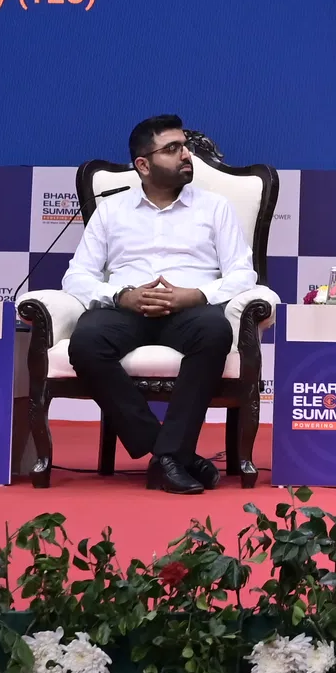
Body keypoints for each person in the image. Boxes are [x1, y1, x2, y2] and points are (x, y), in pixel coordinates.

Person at [61, 114, 255, 494]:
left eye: (185, 147)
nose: (186, 155)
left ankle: (168, 456)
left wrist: (195, 295)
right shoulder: (111, 210)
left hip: (190, 311)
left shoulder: (215, 207)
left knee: (215, 331)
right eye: (173, 149)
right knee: (85, 342)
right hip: (126, 310)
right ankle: (171, 455)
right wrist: (121, 296)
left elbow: (243, 274)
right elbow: (77, 276)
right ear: (143, 165)